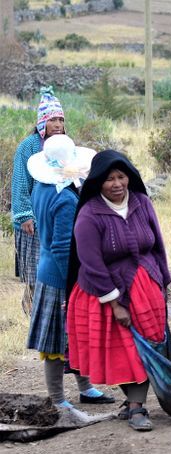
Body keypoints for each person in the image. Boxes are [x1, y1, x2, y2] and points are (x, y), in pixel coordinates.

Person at [66, 150, 171, 432]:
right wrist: (114, 303)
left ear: (130, 177)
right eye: (109, 178)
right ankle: (136, 407)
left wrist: (164, 282)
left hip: (146, 288)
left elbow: (158, 245)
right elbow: (91, 262)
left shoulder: (142, 204)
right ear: (98, 182)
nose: (116, 184)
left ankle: (133, 402)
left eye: (121, 177)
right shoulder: (89, 214)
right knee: (125, 351)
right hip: (105, 294)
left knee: (147, 346)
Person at [25, 135, 114, 408]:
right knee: (55, 342)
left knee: (74, 335)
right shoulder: (64, 198)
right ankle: (58, 399)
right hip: (60, 276)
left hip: (48, 269)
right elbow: (64, 247)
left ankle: (85, 388)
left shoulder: (42, 187)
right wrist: (71, 284)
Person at [12, 87, 66, 315]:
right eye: (52, 119)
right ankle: (30, 315)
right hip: (34, 220)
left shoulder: (66, 145)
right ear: (42, 122)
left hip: (58, 218)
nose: (57, 124)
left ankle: (48, 315)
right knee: (36, 274)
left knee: (55, 272)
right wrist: (25, 215)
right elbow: (20, 183)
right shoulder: (29, 147)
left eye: (60, 119)